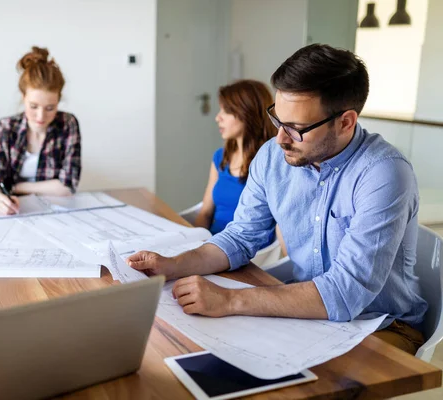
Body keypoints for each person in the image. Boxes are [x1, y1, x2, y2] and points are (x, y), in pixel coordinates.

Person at [127, 44, 427, 354]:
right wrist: (174, 264)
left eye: (296, 128)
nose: (281, 138)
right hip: (308, 316)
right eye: (277, 119)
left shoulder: (384, 173)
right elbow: (241, 237)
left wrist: (229, 300)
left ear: (346, 122)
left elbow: (344, 294)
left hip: (381, 326)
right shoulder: (273, 156)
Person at [0, 46, 81, 216]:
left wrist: (16, 187)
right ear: (23, 97)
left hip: (55, 213)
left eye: (50, 108)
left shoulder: (67, 124)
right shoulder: (7, 128)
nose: (41, 116)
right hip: (14, 212)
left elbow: (67, 186)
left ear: (58, 101)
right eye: (34, 106)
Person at [194, 80, 276, 235]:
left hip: (248, 253)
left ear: (247, 113)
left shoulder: (269, 162)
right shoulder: (220, 157)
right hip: (212, 244)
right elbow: (205, 213)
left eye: (226, 111)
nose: (218, 118)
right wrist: (194, 244)